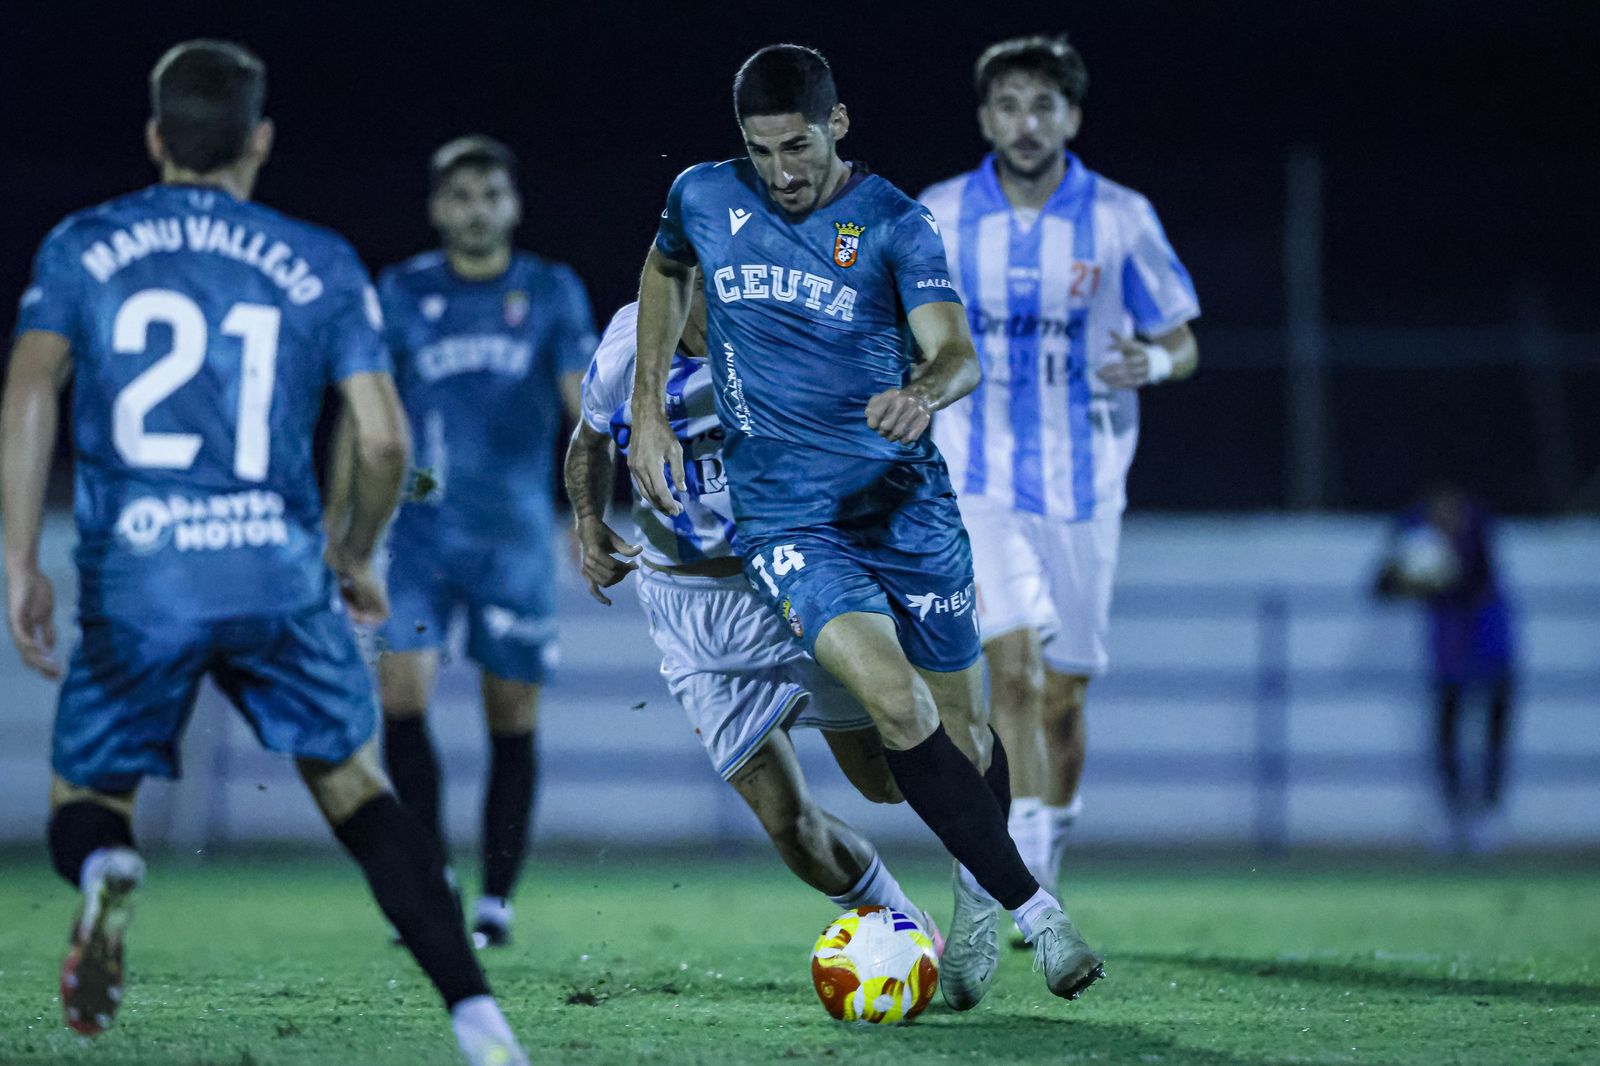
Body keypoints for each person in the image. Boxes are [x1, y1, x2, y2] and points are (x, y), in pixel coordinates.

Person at [1, 41, 527, 1065]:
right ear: (261, 140)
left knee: (88, 801)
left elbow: (29, 390)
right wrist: (356, 551)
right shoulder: (319, 259)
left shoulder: (82, 245)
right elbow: (381, 438)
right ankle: (480, 1021)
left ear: (156, 137)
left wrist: (20, 558)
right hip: (277, 569)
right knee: (358, 791)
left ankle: (111, 861)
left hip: (140, 574)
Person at [625, 43, 1102, 1010]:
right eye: (762, 153)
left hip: (905, 509)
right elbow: (664, 269)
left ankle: (975, 901)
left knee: (965, 734)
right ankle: (1038, 915)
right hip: (791, 521)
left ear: (837, 125)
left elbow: (956, 352)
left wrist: (923, 394)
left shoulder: (893, 224)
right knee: (896, 706)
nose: (783, 172)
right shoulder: (704, 196)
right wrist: (644, 407)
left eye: (797, 147)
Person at [566, 290, 941, 945]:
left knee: (886, 782)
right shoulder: (627, 345)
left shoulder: (788, 333)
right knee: (789, 828)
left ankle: (1002, 833)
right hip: (691, 617)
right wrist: (590, 522)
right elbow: (587, 442)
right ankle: (907, 926)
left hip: (792, 584)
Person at [919, 34, 1200, 903]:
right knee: (1009, 671)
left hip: (1085, 487)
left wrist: (1150, 366)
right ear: (984, 117)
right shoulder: (939, 213)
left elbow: (1181, 341)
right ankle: (1021, 882)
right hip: (978, 478)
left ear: (1072, 116)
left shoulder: (1120, 217)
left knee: (1064, 697)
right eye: (1008, 105)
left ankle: (1047, 842)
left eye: (1043, 105)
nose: (1026, 122)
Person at [327, 136, 595, 948]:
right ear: (438, 207)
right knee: (400, 699)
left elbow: (586, 409)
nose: (475, 210)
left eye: (489, 195)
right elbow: (359, 413)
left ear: (511, 205)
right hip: (418, 538)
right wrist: (339, 528)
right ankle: (434, 880)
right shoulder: (401, 291)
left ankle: (497, 901)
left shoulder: (550, 290)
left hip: (512, 542)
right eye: (460, 196)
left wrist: (598, 507)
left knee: (509, 718)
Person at [1374, 485, 1516, 854]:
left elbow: (1475, 581)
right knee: (1447, 734)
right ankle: (1452, 816)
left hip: (1489, 641)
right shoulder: (1414, 529)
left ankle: (1487, 815)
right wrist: (1407, 576)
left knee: (1494, 732)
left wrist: (1438, 576)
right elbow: (1382, 587)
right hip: (1448, 650)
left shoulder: (1480, 528)